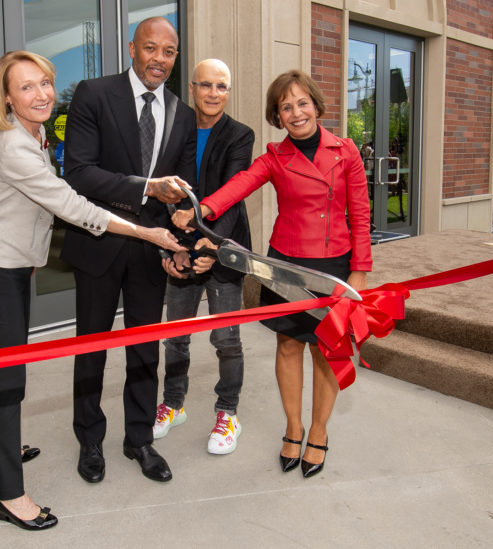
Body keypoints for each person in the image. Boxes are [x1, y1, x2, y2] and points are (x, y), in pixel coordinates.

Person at [0, 50, 186, 531]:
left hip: (12, 265)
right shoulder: (14, 145)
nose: (41, 94)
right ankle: (7, 494)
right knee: (9, 379)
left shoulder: (34, 133)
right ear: (7, 98)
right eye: (26, 87)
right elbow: (72, 206)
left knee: (1, 365)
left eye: (45, 83)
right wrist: (146, 233)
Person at [173, 70, 372, 478]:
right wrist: (202, 209)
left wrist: (360, 271)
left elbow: (361, 213)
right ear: (277, 116)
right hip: (286, 266)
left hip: (334, 265)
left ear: (316, 106)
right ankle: (293, 427)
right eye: (286, 107)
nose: (296, 113)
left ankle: (319, 430)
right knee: (288, 346)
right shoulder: (274, 157)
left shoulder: (346, 151)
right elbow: (240, 184)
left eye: (302, 103)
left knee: (327, 351)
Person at [61, 16, 197, 484]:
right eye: (150, 48)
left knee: (144, 351)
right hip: (97, 243)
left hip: (150, 250)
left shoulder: (183, 113)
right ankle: (89, 439)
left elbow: (181, 190)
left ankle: (138, 439)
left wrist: (182, 239)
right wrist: (147, 187)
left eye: (169, 52)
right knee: (92, 348)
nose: (159, 59)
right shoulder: (93, 94)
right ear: (132, 48)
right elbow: (79, 172)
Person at [154, 59, 254, 455]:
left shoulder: (240, 135)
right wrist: (170, 248)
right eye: (206, 85)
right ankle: (173, 405)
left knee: (226, 340)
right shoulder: (174, 131)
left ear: (228, 92)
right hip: (181, 249)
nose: (214, 93)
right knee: (175, 338)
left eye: (222, 86)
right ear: (192, 88)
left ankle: (228, 413)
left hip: (223, 250)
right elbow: (161, 195)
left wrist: (213, 247)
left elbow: (233, 194)